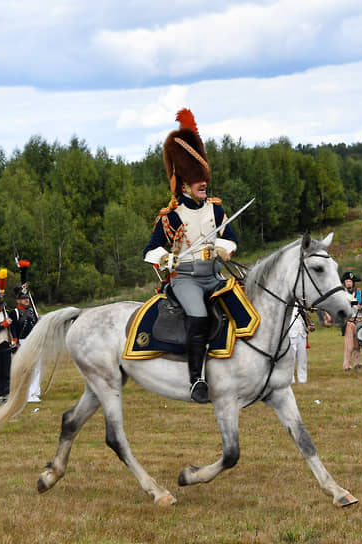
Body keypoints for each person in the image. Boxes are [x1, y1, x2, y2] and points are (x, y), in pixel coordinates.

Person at [143, 108, 238, 404]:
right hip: (186, 278)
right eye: (198, 182)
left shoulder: (216, 209)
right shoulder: (170, 217)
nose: (203, 185)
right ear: (185, 183)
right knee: (197, 316)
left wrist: (226, 248)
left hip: (213, 274)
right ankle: (197, 379)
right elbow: (150, 250)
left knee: (243, 303)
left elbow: (231, 238)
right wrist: (165, 259)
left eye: (204, 181)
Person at [11, 282, 39, 402]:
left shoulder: (32, 312)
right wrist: (15, 341)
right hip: (22, 342)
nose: (26, 300)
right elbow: (12, 329)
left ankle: (35, 391)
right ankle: (26, 393)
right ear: (18, 300)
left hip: (33, 342)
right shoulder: (14, 313)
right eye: (23, 298)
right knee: (26, 368)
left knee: (36, 367)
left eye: (27, 298)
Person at [341, 269, 362, 372]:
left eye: (350, 281)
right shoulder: (341, 293)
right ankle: (346, 364)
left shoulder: (360, 292)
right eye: (347, 281)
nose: (349, 283)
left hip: (359, 319)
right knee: (349, 344)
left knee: (358, 342)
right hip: (348, 320)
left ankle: (357, 362)